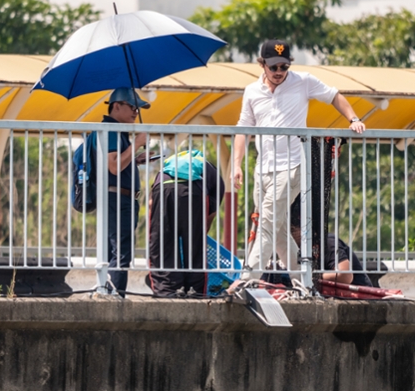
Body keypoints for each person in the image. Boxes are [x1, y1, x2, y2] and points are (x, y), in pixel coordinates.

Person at [232, 39, 366, 281]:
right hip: (263, 169)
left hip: (291, 166)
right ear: (262, 65)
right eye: (273, 67)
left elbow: (334, 95)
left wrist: (353, 118)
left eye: (284, 67)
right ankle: (303, 279)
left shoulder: (303, 81)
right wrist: (236, 164)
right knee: (280, 231)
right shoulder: (252, 91)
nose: (279, 72)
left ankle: (246, 281)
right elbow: (243, 127)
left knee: (267, 225)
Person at [148, 152, 224, 297]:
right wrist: (201, 231)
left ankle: (166, 290)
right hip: (193, 191)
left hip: (162, 189)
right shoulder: (209, 170)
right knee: (195, 245)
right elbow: (210, 213)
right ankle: (194, 290)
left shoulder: (169, 163)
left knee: (162, 243)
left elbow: (151, 203)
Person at [102, 87, 150, 296]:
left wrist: (135, 158)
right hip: (118, 199)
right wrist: (137, 144)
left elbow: (116, 164)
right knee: (121, 252)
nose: (135, 112)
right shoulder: (111, 129)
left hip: (120, 197)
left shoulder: (117, 131)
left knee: (115, 250)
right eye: (132, 107)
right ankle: (115, 296)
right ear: (116, 106)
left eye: (137, 109)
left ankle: (109, 292)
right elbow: (113, 166)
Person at [290, 225, 373, 287]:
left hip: (358, 297)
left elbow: (345, 275)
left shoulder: (328, 242)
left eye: (292, 230)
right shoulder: (300, 249)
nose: (290, 234)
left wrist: (313, 276)